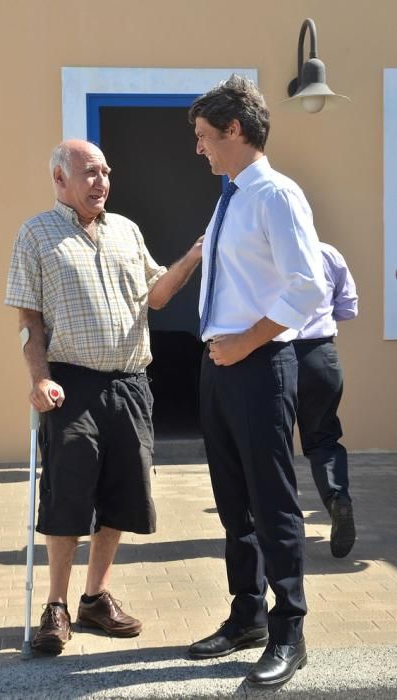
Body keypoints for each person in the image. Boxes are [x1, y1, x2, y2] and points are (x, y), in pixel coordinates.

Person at [5, 139, 202, 655]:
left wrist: (195, 256)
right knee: (68, 495)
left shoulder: (127, 232)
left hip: (131, 384)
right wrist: (38, 378)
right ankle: (56, 605)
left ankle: (95, 597)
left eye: (106, 172)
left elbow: (156, 294)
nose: (102, 181)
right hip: (70, 384)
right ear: (59, 178)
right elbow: (29, 321)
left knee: (121, 496)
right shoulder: (36, 234)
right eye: (90, 172)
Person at [187, 75, 326, 690]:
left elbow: (308, 286)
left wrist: (246, 341)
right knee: (233, 504)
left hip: (260, 366)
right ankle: (246, 616)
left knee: (272, 504)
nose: (200, 149)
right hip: (219, 370)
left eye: (205, 137)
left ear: (235, 130)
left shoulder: (275, 195)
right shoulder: (230, 198)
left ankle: (288, 631)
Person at [294, 242, 358, 558]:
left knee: (269, 443)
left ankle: (282, 524)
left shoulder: (262, 251)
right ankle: (337, 499)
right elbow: (348, 307)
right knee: (323, 439)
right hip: (321, 355)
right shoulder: (329, 253)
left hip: (273, 355)